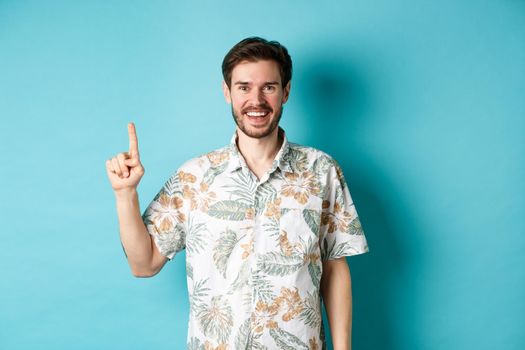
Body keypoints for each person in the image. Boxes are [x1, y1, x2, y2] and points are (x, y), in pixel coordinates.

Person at [106, 37, 369, 350]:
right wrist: (125, 195)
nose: (255, 100)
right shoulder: (194, 177)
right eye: (244, 87)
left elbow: (335, 268)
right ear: (227, 92)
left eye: (268, 87)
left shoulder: (321, 171)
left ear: (285, 92)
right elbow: (143, 263)